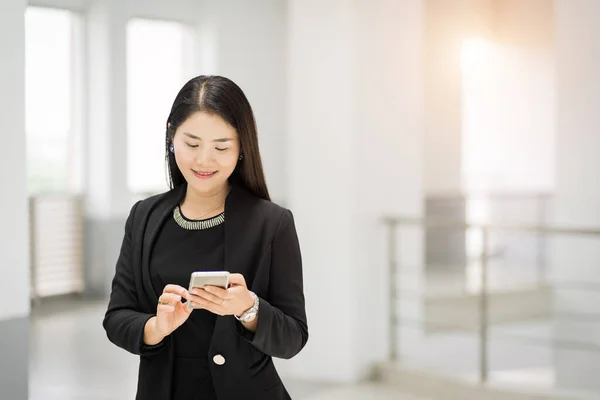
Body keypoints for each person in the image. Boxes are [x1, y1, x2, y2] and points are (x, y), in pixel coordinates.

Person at [103, 75, 308, 400]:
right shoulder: (144, 217)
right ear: (172, 135)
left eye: (221, 147)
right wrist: (156, 327)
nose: (203, 160)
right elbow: (116, 318)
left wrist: (248, 308)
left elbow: (294, 337)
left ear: (243, 146)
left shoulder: (273, 223)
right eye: (192, 143)